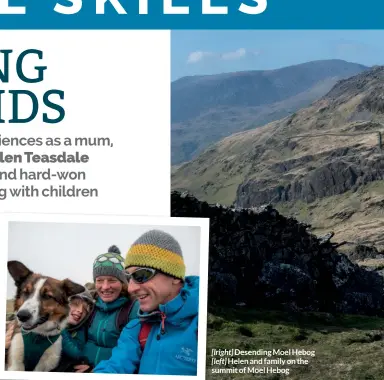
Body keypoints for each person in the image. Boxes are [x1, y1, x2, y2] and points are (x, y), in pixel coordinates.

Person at [93, 230, 199, 376]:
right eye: (128, 277)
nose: (131, 288)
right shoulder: (136, 328)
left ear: (175, 276)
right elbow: (115, 366)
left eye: (141, 275)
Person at [77, 245, 139, 372]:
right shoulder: (89, 305)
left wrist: (94, 370)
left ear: (123, 283)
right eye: (99, 280)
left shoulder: (133, 309)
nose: (105, 287)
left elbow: (129, 353)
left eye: (111, 280)